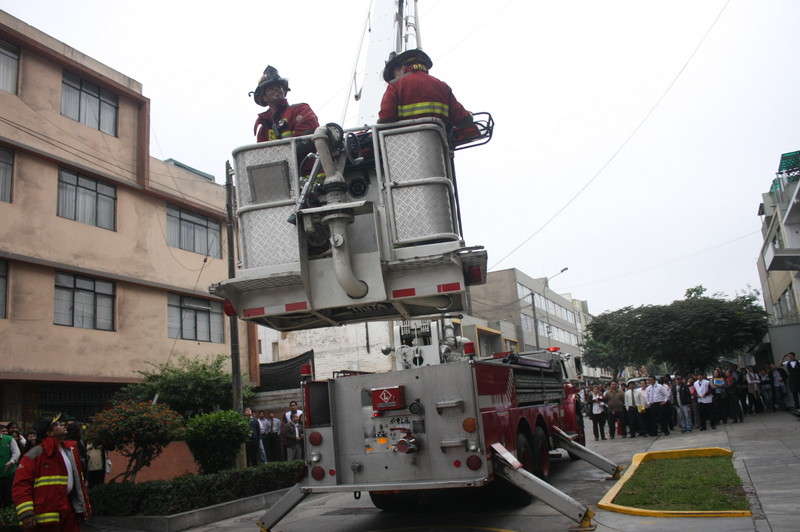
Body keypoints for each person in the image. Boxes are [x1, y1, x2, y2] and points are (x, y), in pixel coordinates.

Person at [13, 414, 91, 530]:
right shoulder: (34, 455)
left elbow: (78, 483)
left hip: (68, 510)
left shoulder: (70, 451)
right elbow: (21, 485)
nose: (62, 425)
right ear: (49, 433)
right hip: (46, 515)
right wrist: (26, 513)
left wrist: (82, 507)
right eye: (57, 424)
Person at [378, 49, 474, 131]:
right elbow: (464, 120)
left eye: (394, 74)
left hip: (405, 147)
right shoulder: (443, 86)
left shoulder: (395, 86)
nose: (394, 78)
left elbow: (386, 119)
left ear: (403, 68)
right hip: (438, 147)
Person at [251, 65, 319, 142]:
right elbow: (261, 152)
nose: (276, 89)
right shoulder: (264, 129)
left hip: (301, 154)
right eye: (271, 88)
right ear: (264, 97)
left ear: (284, 91)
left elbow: (308, 136)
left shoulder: (300, 110)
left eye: (278, 86)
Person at [1, 424, 21, 509]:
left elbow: (16, 453)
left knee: (9, 498)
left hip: (9, 474)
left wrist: (11, 461)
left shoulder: (9, 439)